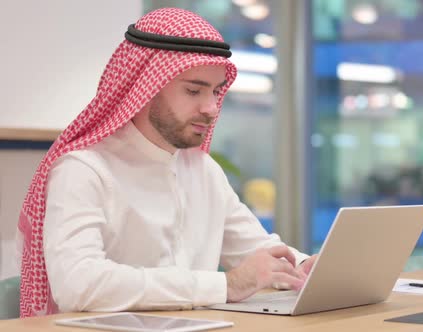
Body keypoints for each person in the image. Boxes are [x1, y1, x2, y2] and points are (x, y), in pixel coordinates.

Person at [16, 7, 317, 318]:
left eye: (215, 92)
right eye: (193, 90)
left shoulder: (203, 171)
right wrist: (226, 285)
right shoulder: (84, 169)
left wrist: (305, 266)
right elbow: (78, 285)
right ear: (145, 87)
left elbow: (257, 251)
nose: (211, 108)